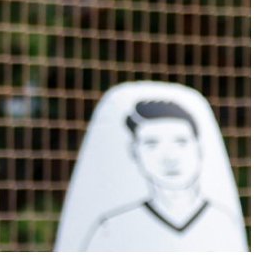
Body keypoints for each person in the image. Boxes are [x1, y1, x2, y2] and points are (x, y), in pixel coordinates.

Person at [81, 100, 247, 251]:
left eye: (181, 142)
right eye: (152, 144)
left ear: (199, 147)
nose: (170, 157)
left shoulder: (224, 223)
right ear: (134, 151)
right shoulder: (111, 229)